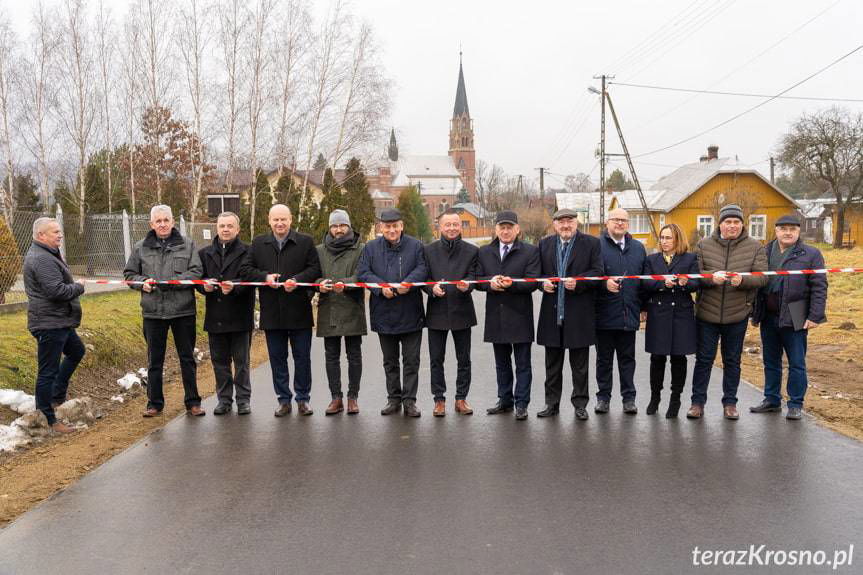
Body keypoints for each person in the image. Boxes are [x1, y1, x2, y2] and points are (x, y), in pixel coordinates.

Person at [688, 204, 768, 420]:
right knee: (704, 360)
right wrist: (710, 278)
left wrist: (743, 280)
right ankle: (697, 403)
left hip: (737, 314)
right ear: (720, 224)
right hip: (707, 312)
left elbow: (762, 277)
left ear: (742, 224)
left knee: (732, 360)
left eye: (736, 222)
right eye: (727, 222)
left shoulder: (755, 247)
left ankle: (730, 404)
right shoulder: (704, 245)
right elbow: (695, 274)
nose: (732, 226)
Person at [124, 205, 204, 417]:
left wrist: (176, 282)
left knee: (187, 358)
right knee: (154, 361)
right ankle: (154, 403)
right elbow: (129, 274)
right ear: (151, 224)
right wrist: (142, 283)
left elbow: (197, 271)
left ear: (172, 222)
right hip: (153, 312)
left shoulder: (188, 245)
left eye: (166, 220)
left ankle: (193, 402)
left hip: (183, 311)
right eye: (158, 221)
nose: (162, 224)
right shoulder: (140, 247)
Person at [244, 204, 321, 417]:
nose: (280, 223)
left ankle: (303, 399)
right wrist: (265, 277)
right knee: (277, 359)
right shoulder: (259, 243)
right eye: (275, 220)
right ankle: (283, 399)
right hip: (272, 312)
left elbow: (315, 269)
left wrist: (298, 280)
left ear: (291, 220)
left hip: (299, 311)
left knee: (302, 358)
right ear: (269, 221)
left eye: (283, 219)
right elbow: (246, 269)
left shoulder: (305, 242)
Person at [750, 214, 827, 420]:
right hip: (768, 314)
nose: (788, 232)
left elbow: (819, 286)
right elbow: (755, 281)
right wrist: (753, 312)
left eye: (792, 229)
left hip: (796, 313)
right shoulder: (765, 251)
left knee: (796, 362)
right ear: (776, 231)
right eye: (783, 228)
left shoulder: (810, 254)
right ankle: (772, 400)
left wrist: (815, 315)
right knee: (770, 361)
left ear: (798, 231)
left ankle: (795, 404)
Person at [357, 208, 428, 417]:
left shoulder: (415, 246)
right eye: (387, 226)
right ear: (381, 227)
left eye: (395, 226)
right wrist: (381, 287)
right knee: (390, 361)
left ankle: (409, 401)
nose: (392, 230)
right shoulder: (370, 248)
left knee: (411, 360)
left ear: (401, 226)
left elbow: (422, 269)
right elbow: (363, 272)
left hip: (410, 311)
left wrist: (409, 283)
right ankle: (393, 399)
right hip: (383, 311)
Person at [535, 209, 603, 420]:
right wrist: (542, 282)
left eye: (570, 221)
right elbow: (536, 274)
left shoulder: (591, 243)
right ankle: (552, 404)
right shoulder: (544, 244)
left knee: (580, 366)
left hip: (579, 313)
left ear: (576, 223)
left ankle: (580, 404)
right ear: (555, 225)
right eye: (561, 222)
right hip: (552, 313)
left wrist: (580, 282)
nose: (565, 225)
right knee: (552, 365)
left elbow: (598, 272)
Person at [23, 217, 86, 433]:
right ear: (41, 235)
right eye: (55, 232)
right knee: (47, 371)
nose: (60, 235)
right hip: (49, 323)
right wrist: (78, 287)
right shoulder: (41, 259)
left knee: (77, 351)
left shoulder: (47, 254)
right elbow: (56, 291)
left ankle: (56, 396)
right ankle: (48, 418)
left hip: (59, 321)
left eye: (60, 231)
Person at [476, 210, 540, 421]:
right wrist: (490, 283)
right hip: (496, 315)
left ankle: (521, 403)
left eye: (509, 227)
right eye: (501, 227)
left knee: (523, 363)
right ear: (496, 229)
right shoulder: (485, 252)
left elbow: (533, 282)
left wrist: (512, 284)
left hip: (520, 315)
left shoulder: (530, 252)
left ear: (517, 229)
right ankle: (505, 400)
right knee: (501, 363)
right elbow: (478, 280)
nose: (505, 231)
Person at [423, 209, 479, 417]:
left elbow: (474, 275)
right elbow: (424, 278)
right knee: (436, 359)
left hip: (462, 310)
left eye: (456, 224)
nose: (452, 228)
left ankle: (461, 398)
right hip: (437, 311)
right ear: (439, 227)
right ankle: (439, 399)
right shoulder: (428, 251)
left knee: (463, 359)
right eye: (448, 225)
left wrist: (469, 285)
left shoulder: (471, 251)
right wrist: (431, 289)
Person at [640, 223, 700, 418]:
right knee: (657, 357)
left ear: (677, 240)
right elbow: (645, 281)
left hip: (682, 315)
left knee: (678, 358)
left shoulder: (690, 258)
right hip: (659, 313)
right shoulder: (652, 259)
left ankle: (675, 399)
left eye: (668, 238)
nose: (664, 241)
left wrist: (685, 283)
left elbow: (696, 283)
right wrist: (662, 283)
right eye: (662, 238)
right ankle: (655, 397)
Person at [198, 212, 255, 416]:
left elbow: (252, 280)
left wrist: (236, 287)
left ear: (238, 229)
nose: (225, 229)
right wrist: (205, 287)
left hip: (240, 315)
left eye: (230, 226)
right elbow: (199, 280)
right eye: (222, 225)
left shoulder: (248, 252)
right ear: (217, 228)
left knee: (241, 363)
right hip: (216, 317)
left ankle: (243, 400)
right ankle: (224, 400)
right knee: (220, 363)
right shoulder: (205, 253)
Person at [594, 208, 646, 415]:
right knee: (604, 360)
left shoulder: (638, 248)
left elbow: (643, 281)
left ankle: (629, 399)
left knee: (627, 360)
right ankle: (603, 398)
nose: (620, 223)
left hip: (628, 313)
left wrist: (643, 307)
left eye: (624, 220)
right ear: (607, 222)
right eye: (616, 219)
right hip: (603, 314)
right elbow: (588, 276)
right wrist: (603, 285)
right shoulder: (596, 247)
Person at [316, 209, 367, 415]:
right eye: (335, 226)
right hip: (329, 308)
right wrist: (320, 284)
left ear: (349, 226)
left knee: (354, 355)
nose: (338, 229)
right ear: (330, 228)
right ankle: (335, 397)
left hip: (352, 306)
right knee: (331, 356)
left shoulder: (362, 249)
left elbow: (363, 274)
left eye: (342, 225)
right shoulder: (319, 250)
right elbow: (313, 274)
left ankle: (352, 397)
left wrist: (344, 283)